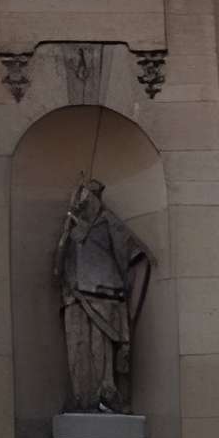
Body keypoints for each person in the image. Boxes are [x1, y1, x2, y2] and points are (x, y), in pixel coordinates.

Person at [55, 177, 153, 415]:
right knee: (78, 350)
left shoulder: (108, 222)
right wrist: (67, 233)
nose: (84, 202)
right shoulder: (70, 229)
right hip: (75, 297)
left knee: (102, 353)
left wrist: (128, 298)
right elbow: (57, 269)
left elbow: (135, 257)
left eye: (89, 197)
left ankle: (106, 396)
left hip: (105, 297)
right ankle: (83, 398)